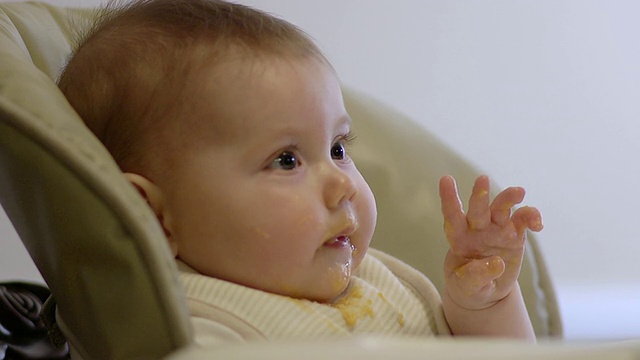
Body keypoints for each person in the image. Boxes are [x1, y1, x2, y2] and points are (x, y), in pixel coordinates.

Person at [57, 0, 543, 346]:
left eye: (337, 148)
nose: (344, 183)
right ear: (151, 215)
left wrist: (483, 306)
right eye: (286, 160)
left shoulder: (382, 283)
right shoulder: (197, 327)